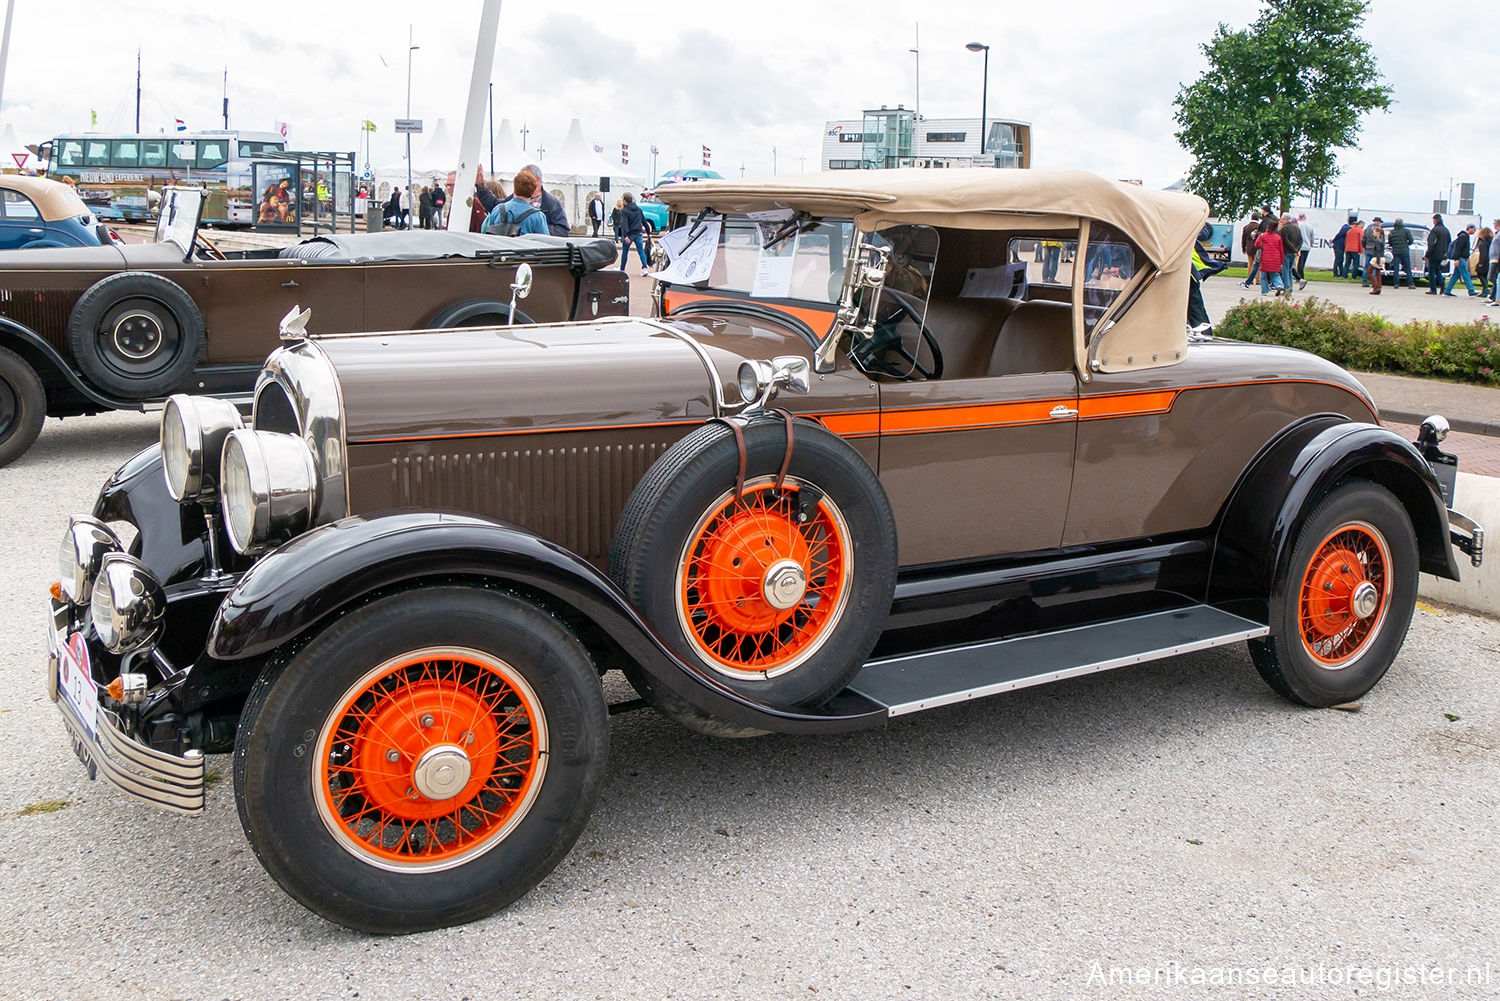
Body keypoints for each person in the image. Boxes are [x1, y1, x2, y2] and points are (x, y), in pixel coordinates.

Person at [483, 169, 548, 236]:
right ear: (533, 190)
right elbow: (545, 243)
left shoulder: (497, 210)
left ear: (514, 186)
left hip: (499, 245)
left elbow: (488, 237)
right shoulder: (538, 217)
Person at [522, 164, 570, 236]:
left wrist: (539, 228)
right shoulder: (512, 200)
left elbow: (563, 230)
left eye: (527, 179)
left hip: (540, 245)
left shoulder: (552, 202)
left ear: (538, 180)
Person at [617, 191, 649, 274]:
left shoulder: (624, 211)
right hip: (638, 233)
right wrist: (649, 233)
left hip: (629, 234)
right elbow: (644, 221)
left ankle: (622, 269)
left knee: (625, 251)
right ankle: (645, 268)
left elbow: (625, 223)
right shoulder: (639, 209)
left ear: (625, 201)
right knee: (640, 251)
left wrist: (625, 235)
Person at [1443, 223, 1479, 296]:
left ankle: (1447, 290)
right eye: (1474, 229)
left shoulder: (1463, 236)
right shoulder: (1463, 237)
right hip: (1461, 258)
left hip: (1461, 258)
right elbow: (1458, 249)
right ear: (1470, 228)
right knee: (1466, 274)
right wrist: (1457, 259)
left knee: (1456, 275)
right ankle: (1471, 290)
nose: (1475, 231)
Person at [1254, 223, 1285, 295]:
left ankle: (1265, 291)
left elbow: (1256, 245)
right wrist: (1281, 261)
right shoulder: (1278, 237)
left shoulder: (1262, 236)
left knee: (1263, 276)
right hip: (1276, 259)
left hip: (1265, 258)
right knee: (1275, 274)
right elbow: (1281, 250)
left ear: (1267, 227)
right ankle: (1279, 285)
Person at [1387, 217, 1415, 288]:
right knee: (1407, 267)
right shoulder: (1406, 231)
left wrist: (1395, 245)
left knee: (1396, 268)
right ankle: (1410, 284)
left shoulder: (1392, 232)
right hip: (1405, 250)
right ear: (1402, 223)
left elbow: (1390, 243)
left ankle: (1396, 284)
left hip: (1396, 251)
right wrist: (1406, 244)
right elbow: (1411, 240)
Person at [1425, 214, 1450, 294]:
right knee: (1437, 270)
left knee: (1431, 272)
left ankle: (1433, 289)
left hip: (1434, 255)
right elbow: (1449, 242)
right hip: (1442, 254)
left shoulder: (1434, 230)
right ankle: (1443, 286)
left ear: (1435, 220)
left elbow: (1431, 244)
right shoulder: (1446, 230)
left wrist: (1427, 255)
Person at [1277, 213, 1302, 294]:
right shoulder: (1297, 228)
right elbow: (1300, 241)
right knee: (1290, 271)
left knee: (1285, 271)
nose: (1281, 221)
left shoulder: (1284, 229)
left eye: (1282, 219)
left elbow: (1286, 241)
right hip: (1293, 253)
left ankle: (1287, 289)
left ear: (1285, 219)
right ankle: (1290, 288)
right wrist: (1297, 250)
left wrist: (1294, 250)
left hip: (1286, 252)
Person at [1238, 211, 1261, 288]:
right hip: (1256, 247)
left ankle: (1249, 279)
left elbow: (1243, 238)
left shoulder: (1246, 227)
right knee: (1257, 264)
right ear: (1258, 218)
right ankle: (1258, 280)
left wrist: (1243, 247)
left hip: (1248, 247)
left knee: (1250, 263)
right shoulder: (1259, 227)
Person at [1363, 220, 1386, 294]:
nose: (1373, 234)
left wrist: (1378, 261)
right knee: (1378, 272)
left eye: (1374, 232)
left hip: (1377, 258)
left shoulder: (1377, 241)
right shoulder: (1381, 240)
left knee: (1369, 271)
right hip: (1381, 257)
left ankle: (1376, 286)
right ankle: (1378, 287)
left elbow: (1378, 251)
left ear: (1378, 233)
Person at [1360, 216, 1383, 287]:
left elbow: (1363, 240)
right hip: (1375, 251)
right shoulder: (1379, 230)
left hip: (1368, 249)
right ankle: (1374, 282)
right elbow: (1381, 242)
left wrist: (1366, 247)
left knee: (1366, 266)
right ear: (1378, 222)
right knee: (1374, 266)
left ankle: (1364, 281)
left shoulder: (1367, 229)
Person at [1295, 213, 1313, 288]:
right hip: (1307, 246)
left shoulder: (1298, 225)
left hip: (1300, 246)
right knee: (1303, 263)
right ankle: (1300, 276)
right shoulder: (1310, 226)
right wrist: (1310, 244)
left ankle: (1300, 277)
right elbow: (1312, 237)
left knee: (1299, 263)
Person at [1475, 226, 1493, 300]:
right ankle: (1485, 289)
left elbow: (1483, 253)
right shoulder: (1491, 240)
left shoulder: (1483, 242)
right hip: (1490, 260)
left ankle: (1486, 289)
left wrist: (1480, 262)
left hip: (1484, 261)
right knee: (1485, 275)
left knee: (1479, 274)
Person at [1487, 219, 1500, 305]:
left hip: (1496, 259)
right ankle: (1494, 296)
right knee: (1495, 278)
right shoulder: (1497, 233)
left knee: (1492, 277)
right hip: (1493, 258)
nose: (1493, 224)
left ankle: (1495, 297)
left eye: (1494, 223)